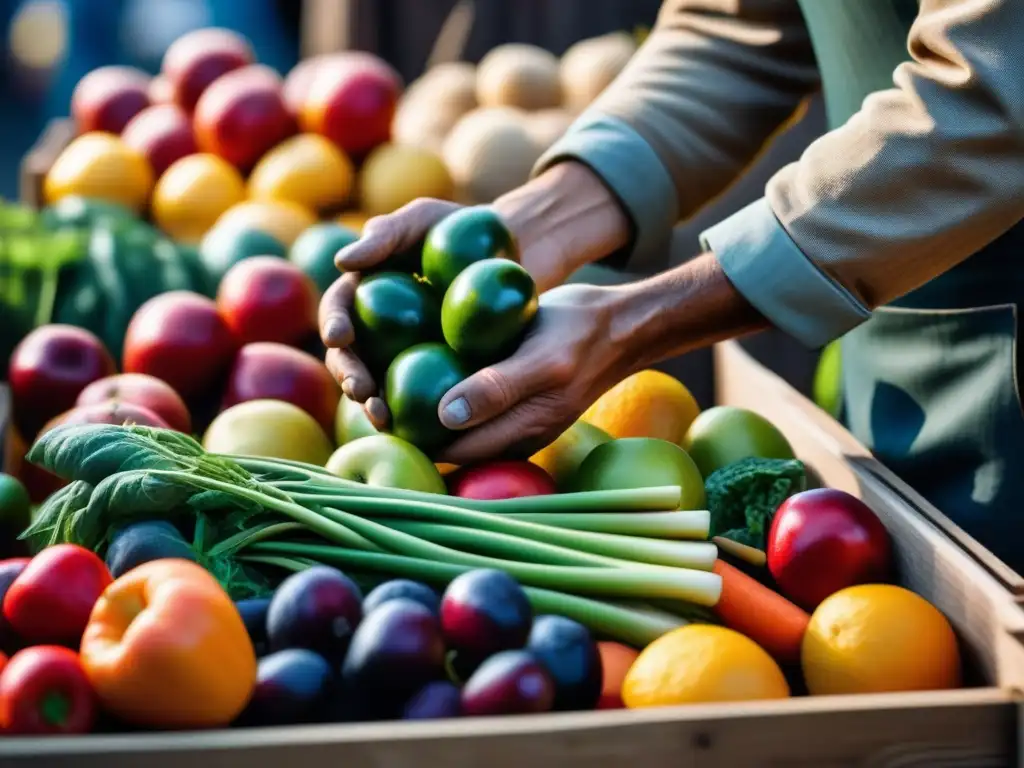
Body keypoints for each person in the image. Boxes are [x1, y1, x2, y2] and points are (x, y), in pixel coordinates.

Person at [320, 0, 1024, 569]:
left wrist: (638, 321)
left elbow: (994, 98)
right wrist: (526, 227)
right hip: (896, 364)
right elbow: (738, 21)